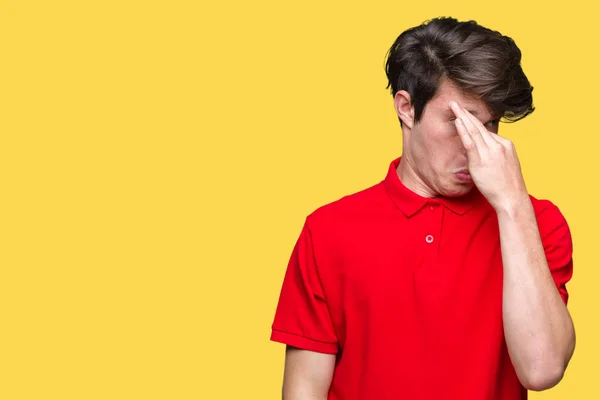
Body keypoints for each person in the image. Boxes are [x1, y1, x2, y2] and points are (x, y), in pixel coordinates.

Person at [270, 17, 575, 400]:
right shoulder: (328, 230)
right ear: (406, 108)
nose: (476, 147)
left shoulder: (536, 223)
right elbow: (303, 391)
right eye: (458, 122)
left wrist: (512, 205)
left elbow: (542, 368)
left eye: (490, 126)